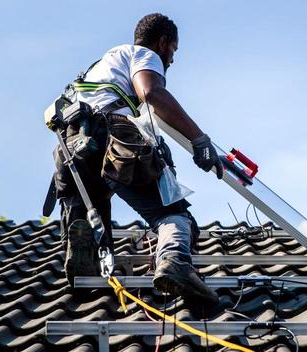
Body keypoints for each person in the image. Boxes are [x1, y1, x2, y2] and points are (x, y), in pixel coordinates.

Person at [53, 13, 223, 309]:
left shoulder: (98, 68)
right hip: (111, 135)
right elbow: (152, 92)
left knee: (92, 209)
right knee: (174, 215)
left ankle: (87, 253)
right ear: (164, 41)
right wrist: (199, 139)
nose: (171, 60)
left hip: (72, 149)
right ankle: (174, 262)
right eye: (173, 50)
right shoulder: (143, 54)